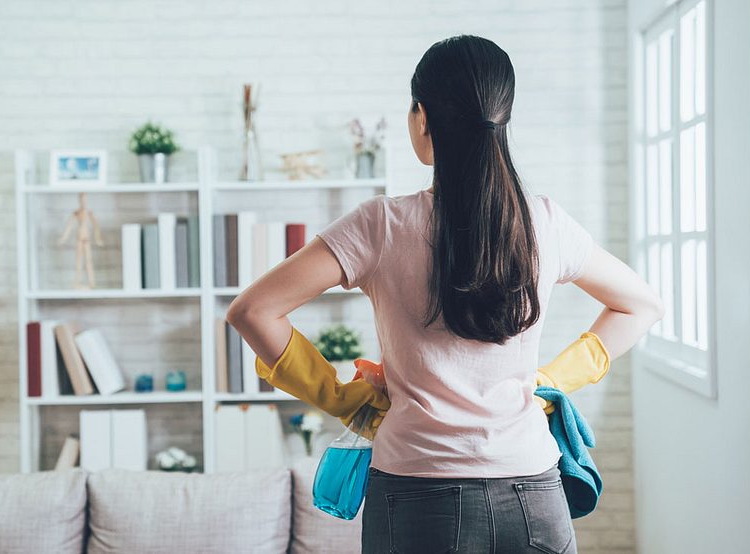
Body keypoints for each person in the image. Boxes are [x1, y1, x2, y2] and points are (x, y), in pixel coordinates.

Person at [227, 34, 663, 554]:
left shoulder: (379, 224)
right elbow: (640, 305)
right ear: (502, 120)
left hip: (416, 493)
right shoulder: (544, 220)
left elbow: (253, 311)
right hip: (534, 490)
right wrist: (549, 380)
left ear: (421, 118)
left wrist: (341, 399)